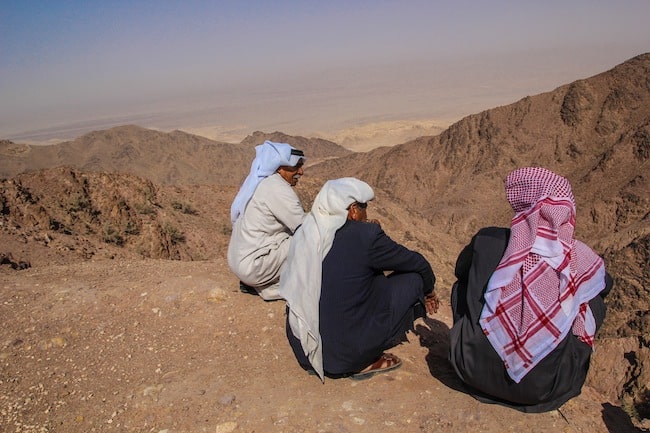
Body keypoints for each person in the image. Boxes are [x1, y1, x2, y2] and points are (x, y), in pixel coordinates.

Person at [449, 167, 613, 413]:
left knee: (463, 284)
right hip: (544, 390)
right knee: (592, 301)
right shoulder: (579, 257)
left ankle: (480, 353)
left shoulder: (487, 240)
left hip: (469, 371)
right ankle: (545, 361)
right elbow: (605, 285)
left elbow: (461, 271)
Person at [280, 177, 438, 381]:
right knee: (414, 279)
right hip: (346, 357)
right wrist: (429, 292)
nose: (367, 214)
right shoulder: (367, 236)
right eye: (364, 208)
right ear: (353, 209)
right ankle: (367, 359)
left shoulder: (305, 231)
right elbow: (417, 263)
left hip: (305, 349)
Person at [227, 140, 306, 301]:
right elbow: (304, 227)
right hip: (255, 265)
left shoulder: (262, 183)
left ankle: (266, 284)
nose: (301, 171)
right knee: (312, 240)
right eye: (296, 167)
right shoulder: (276, 188)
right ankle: (281, 288)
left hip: (241, 264)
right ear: (280, 167)